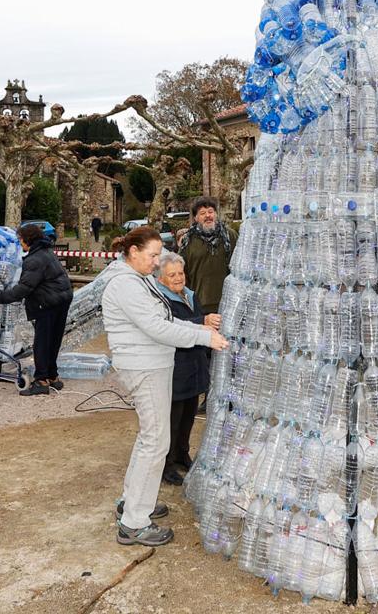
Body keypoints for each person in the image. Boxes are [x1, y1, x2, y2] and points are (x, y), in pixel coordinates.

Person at [103, 225, 228, 547]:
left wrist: (199, 328)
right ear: (133, 252)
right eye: (153, 255)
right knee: (156, 442)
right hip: (145, 367)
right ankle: (133, 522)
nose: (157, 262)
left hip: (152, 364)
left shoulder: (139, 281)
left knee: (150, 438)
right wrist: (204, 336)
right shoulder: (125, 285)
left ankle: (131, 502)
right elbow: (157, 327)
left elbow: (167, 319)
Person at [0, 223, 73, 396]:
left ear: (28, 240)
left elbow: (21, 291)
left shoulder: (34, 260)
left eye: (20, 239)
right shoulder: (46, 251)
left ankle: (41, 380)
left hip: (48, 303)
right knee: (53, 340)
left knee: (42, 343)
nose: (20, 243)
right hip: (62, 300)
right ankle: (53, 376)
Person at [154, 251, 220, 486]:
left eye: (180, 273)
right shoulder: (160, 301)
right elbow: (170, 327)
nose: (178, 278)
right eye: (172, 275)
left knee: (189, 416)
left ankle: (182, 454)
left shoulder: (190, 295)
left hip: (194, 366)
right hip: (175, 369)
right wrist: (201, 322)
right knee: (172, 419)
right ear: (161, 279)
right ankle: (167, 463)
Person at [178, 196, 238, 315]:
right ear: (196, 218)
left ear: (215, 214)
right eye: (202, 213)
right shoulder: (187, 241)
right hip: (200, 303)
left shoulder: (230, 235)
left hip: (228, 302)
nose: (208, 216)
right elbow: (181, 271)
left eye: (211, 211)